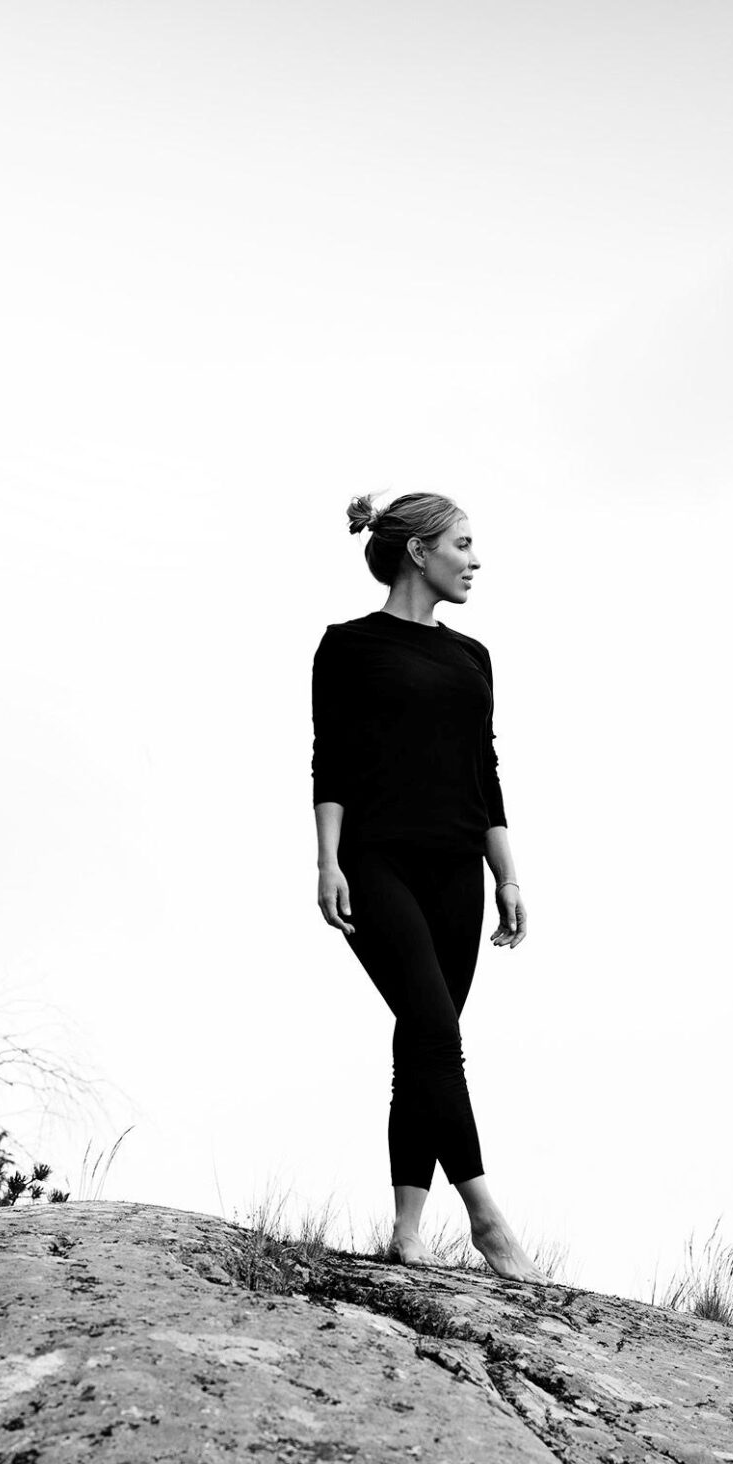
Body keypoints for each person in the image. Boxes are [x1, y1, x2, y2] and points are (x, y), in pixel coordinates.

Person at [311, 490, 540, 1280]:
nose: (475, 560)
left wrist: (506, 872)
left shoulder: (472, 657)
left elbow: (485, 771)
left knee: (422, 1042)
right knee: (439, 1032)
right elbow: (331, 761)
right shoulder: (347, 646)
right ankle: (487, 1220)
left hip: (457, 870)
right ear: (419, 551)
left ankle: (407, 1232)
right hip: (376, 863)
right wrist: (327, 861)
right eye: (462, 544)